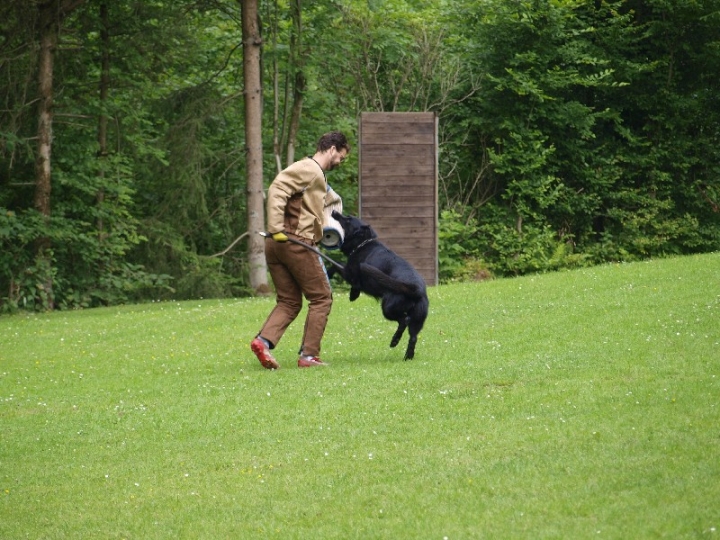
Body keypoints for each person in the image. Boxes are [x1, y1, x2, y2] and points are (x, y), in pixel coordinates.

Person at [250, 131, 351, 369]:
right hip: (293, 242)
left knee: (289, 301)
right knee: (321, 298)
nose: (340, 162)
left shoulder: (316, 176)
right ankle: (309, 357)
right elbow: (277, 188)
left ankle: (262, 342)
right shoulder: (310, 168)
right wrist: (276, 228)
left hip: (277, 245)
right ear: (332, 149)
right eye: (341, 157)